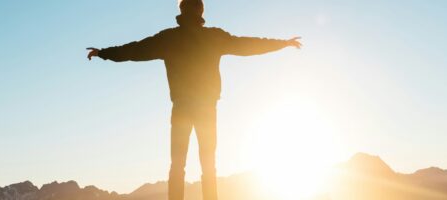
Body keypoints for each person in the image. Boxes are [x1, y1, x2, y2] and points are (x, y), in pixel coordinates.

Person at [86, 0, 301, 199]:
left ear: (181, 11)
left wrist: (103, 53)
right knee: (208, 165)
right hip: (207, 109)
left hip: (181, 108)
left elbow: (134, 50)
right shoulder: (214, 37)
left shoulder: (169, 38)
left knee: (177, 165)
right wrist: (282, 43)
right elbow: (248, 45)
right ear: (201, 11)